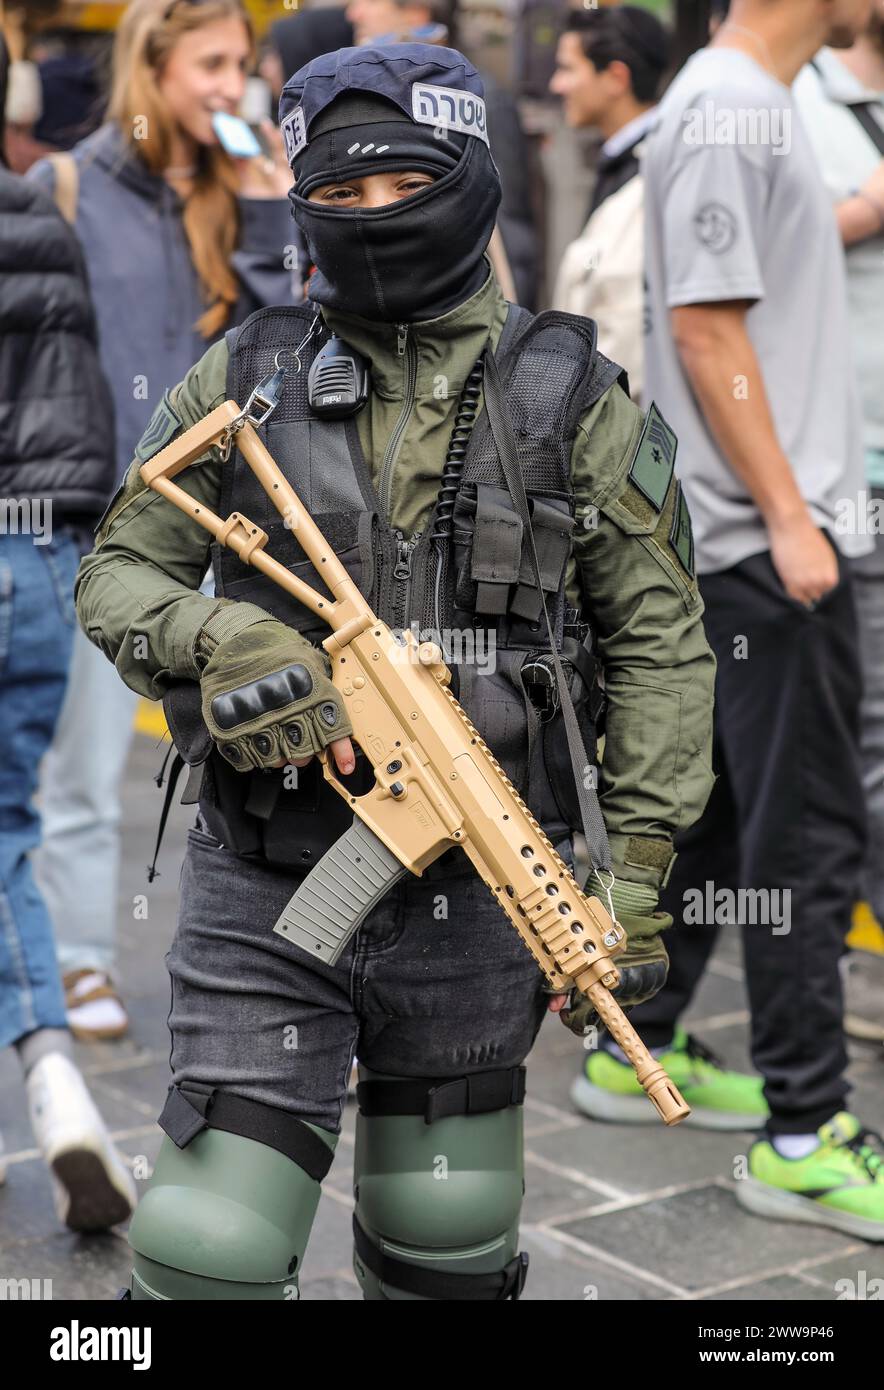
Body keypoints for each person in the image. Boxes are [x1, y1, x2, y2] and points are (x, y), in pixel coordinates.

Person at [75, 41, 714, 1300]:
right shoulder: (246, 374)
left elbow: (658, 646)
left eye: (406, 182)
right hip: (266, 876)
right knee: (209, 1246)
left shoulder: (573, 397)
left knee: (448, 1242)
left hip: (479, 887)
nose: (373, 218)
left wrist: (634, 878)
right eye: (339, 195)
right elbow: (118, 570)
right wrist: (226, 639)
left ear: (470, 176)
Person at [575, 0, 884, 1242]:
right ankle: (806, 1133)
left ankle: (631, 1041)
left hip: (757, 536)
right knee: (807, 838)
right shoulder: (730, 104)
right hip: (772, 543)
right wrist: (788, 514)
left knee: (709, 815)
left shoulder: (743, 102)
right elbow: (707, 331)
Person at [28, 0, 300, 1043]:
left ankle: (241, 965)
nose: (234, 85)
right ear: (153, 64)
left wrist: (275, 210)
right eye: (214, 64)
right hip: (101, 523)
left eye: (244, 64)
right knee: (87, 768)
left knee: (240, 756)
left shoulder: (240, 190)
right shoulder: (65, 188)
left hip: (229, 530)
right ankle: (83, 964)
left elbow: (285, 345)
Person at [0, 29, 136, 1230]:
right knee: (9, 823)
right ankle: (50, 1073)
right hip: (39, 559)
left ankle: (49, 1067)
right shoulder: (42, 213)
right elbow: (86, 421)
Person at [793, 0, 884, 1041]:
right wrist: (861, 208)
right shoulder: (786, 105)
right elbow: (740, 269)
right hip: (849, 464)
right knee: (868, 730)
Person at [345, 0, 539, 309]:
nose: (353, 13)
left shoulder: (475, 101)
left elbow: (507, 234)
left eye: (368, 1)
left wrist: (506, 338)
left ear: (417, 13)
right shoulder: (380, 99)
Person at [550, 5, 670, 402]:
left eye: (569, 69)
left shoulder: (658, 173)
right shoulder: (621, 163)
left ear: (616, 77)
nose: (556, 84)